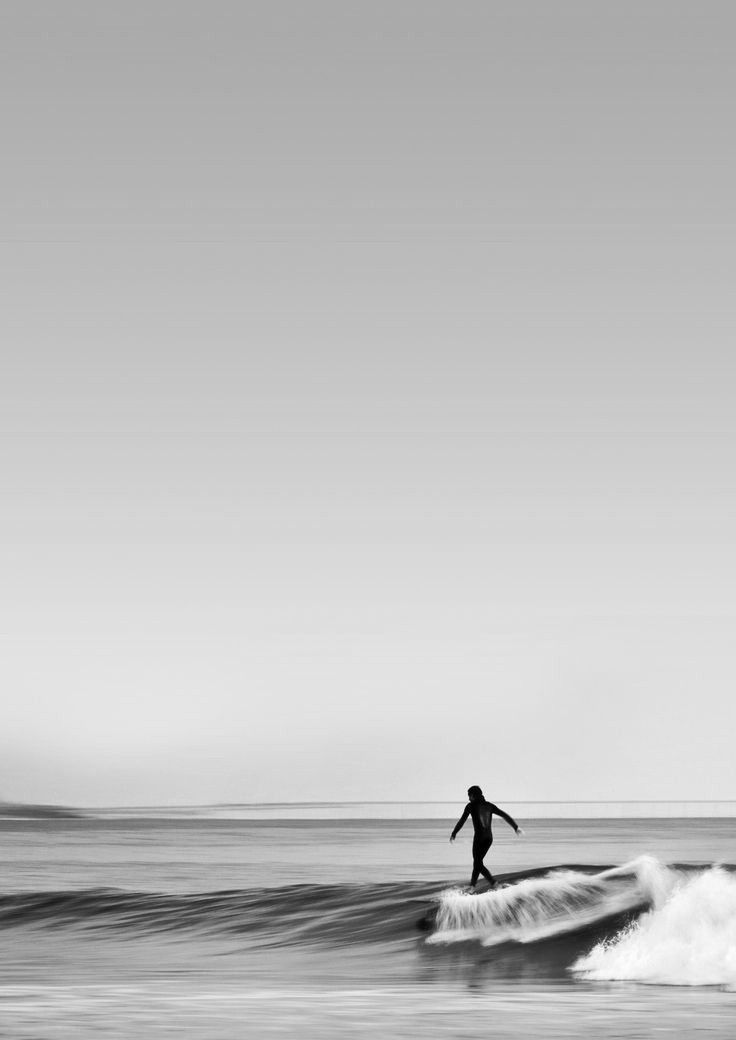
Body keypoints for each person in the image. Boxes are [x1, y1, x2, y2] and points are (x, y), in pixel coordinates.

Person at [450, 785, 522, 888]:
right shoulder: (489, 805)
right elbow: (504, 815)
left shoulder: (470, 806)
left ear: (473, 796)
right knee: (478, 862)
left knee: (477, 863)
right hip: (489, 839)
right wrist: (515, 827)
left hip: (479, 838)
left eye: (469, 796)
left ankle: (492, 883)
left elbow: (462, 820)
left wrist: (454, 833)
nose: (468, 798)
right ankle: (473, 885)